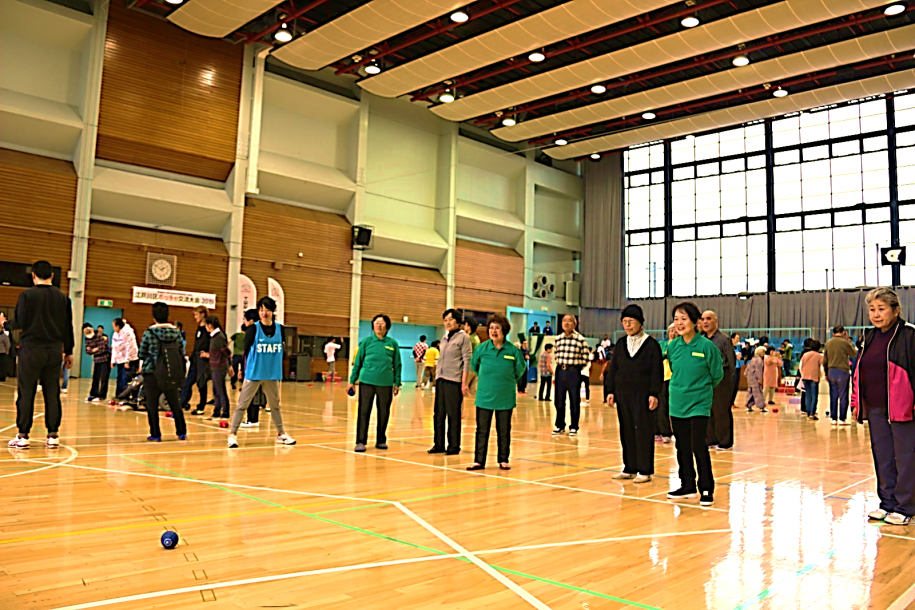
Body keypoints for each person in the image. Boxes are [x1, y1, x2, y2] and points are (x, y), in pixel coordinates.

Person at [852, 287, 915, 526]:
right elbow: (858, 372)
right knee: (883, 456)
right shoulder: (868, 337)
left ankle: (905, 506)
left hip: (903, 408)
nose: (876, 314)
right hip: (876, 408)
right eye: (872, 310)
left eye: (881, 309)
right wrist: (857, 402)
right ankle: (887, 503)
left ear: (895, 310)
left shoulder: (909, 335)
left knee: (906, 458)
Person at [7, 261, 74, 449]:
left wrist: (4, 325)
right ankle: (53, 435)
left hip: (31, 350)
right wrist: (69, 351)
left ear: (33, 275)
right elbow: (67, 327)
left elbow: (20, 322)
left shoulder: (27, 295)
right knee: (52, 393)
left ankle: (23, 435)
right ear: (52, 276)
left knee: (26, 393)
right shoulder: (63, 298)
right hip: (54, 351)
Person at [666, 301, 723, 506]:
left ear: (695, 322)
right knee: (681, 446)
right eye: (676, 319)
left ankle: (706, 487)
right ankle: (687, 485)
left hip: (699, 403)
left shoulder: (707, 346)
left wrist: (701, 389)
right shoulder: (672, 346)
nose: (679, 323)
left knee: (699, 445)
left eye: (684, 318)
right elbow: (674, 368)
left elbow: (717, 374)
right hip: (677, 403)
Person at [605, 304, 663, 483]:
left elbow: (657, 371)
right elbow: (613, 369)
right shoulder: (621, 343)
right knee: (626, 430)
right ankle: (629, 467)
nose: (627, 325)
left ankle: (645, 470)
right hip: (623, 394)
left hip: (643, 395)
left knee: (644, 430)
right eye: (624, 322)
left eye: (631, 322)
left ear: (640, 322)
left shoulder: (651, 344)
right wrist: (610, 391)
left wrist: (654, 393)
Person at [227, 297, 296, 448]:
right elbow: (245, 352)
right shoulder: (253, 329)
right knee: (242, 405)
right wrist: (241, 370)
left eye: (267, 309)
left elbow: (282, 351)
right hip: (254, 373)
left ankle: (281, 433)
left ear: (273, 311)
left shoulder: (280, 329)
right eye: (261, 310)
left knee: (275, 406)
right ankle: (232, 435)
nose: (264, 313)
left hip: (272, 374)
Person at [467, 314, 527, 471]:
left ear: (504, 330)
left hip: (505, 397)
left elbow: (520, 369)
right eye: (491, 328)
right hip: (484, 396)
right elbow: (475, 366)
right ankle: (479, 461)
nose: (493, 331)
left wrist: (507, 379)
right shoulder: (481, 349)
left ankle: (503, 459)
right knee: (482, 430)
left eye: (497, 328)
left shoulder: (513, 350)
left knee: (504, 430)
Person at [348, 313, 402, 452]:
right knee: (363, 411)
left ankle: (381, 440)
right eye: (376, 322)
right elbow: (358, 362)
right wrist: (352, 380)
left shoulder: (392, 343)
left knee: (384, 412)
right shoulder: (366, 342)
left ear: (387, 327)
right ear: (373, 325)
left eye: (382, 323)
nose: (379, 325)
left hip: (386, 383)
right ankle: (361, 441)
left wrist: (397, 382)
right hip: (367, 381)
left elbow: (397, 364)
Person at [136, 302, 188, 442]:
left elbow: (142, 352)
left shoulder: (149, 332)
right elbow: (180, 351)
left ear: (154, 316)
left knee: (152, 403)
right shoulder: (176, 333)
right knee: (174, 402)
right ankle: (181, 432)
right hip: (170, 370)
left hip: (151, 372)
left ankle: (156, 434)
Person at [428, 309, 472, 455]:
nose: (447, 322)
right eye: (445, 320)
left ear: (458, 322)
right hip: (441, 379)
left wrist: (464, 383)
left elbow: (467, 361)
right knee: (438, 414)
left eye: (451, 319)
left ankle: (453, 446)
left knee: (453, 414)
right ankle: (438, 444)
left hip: (454, 381)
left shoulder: (464, 337)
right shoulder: (445, 337)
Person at [701, 310, 735, 451]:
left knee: (721, 410)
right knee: (707, 410)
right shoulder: (700, 340)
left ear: (716, 321)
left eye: (709, 319)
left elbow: (731, 362)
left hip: (721, 377)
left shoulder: (723, 339)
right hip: (704, 379)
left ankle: (725, 441)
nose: (705, 322)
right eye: (703, 319)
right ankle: (710, 439)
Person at [551, 314, 590, 436]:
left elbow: (585, 358)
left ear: (575, 324)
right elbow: (556, 355)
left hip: (574, 371)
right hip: (560, 370)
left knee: (574, 400)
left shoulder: (580, 339)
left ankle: (574, 426)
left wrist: (575, 369)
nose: (566, 323)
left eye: (569, 321)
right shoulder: (558, 339)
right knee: (559, 400)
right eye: (564, 321)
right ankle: (560, 425)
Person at [180, 306, 210, 415]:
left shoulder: (208, 328)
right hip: (195, 359)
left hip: (204, 360)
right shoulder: (199, 329)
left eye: (197, 314)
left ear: (203, 314)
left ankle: (201, 407)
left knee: (201, 384)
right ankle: (181, 404)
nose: (195, 317)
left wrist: (208, 354)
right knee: (187, 383)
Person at [824, 325, 857, 425]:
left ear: (833, 333)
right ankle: (842, 418)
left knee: (833, 395)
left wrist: (826, 373)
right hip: (842, 371)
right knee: (843, 395)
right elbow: (853, 354)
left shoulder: (828, 343)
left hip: (831, 371)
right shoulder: (844, 343)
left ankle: (834, 418)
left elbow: (825, 360)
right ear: (843, 333)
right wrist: (848, 341)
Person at [205, 316, 230, 420]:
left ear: (210, 325)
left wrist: (228, 365)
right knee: (216, 390)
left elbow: (226, 352)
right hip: (214, 366)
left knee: (220, 390)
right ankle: (216, 411)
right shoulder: (214, 337)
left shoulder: (219, 337)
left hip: (220, 367)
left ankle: (225, 412)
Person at [655, 324, 676, 443]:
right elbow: (661, 355)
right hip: (663, 377)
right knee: (661, 405)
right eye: (671, 331)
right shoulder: (662, 344)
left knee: (671, 406)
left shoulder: (681, 344)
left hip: (674, 378)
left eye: (675, 330)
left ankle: (668, 431)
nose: (673, 333)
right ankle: (661, 431)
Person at [111, 318, 138, 398]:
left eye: (114, 326)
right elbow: (114, 348)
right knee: (119, 378)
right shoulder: (115, 334)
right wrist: (113, 360)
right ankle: (118, 396)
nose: (113, 328)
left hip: (130, 359)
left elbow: (130, 347)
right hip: (120, 359)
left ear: (118, 326)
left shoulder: (128, 332)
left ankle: (124, 397)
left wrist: (127, 361)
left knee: (125, 378)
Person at [83, 323, 110, 402]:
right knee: (95, 377)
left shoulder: (99, 336)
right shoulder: (87, 338)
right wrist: (94, 350)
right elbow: (87, 351)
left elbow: (102, 349)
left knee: (103, 378)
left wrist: (93, 350)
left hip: (104, 359)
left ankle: (101, 396)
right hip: (96, 360)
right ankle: (93, 394)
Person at [799, 340, 823, 420]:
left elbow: (800, 365)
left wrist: (802, 374)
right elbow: (822, 367)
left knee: (808, 395)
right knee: (814, 396)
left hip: (805, 376)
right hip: (814, 377)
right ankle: (813, 412)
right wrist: (821, 376)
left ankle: (808, 412)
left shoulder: (805, 354)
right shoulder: (819, 356)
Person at [744, 347, 766, 413]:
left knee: (751, 392)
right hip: (755, 378)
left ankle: (748, 405)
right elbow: (758, 370)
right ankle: (761, 407)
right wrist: (760, 378)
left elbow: (746, 371)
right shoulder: (759, 360)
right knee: (758, 392)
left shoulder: (753, 359)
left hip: (750, 377)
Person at [463, 317, 481, 395]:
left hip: (468, 367)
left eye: (465, 325)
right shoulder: (476, 337)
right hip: (475, 367)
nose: (464, 326)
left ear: (469, 327)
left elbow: (465, 353)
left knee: (462, 390)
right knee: (474, 392)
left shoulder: (468, 338)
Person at [229, 324, 246, 390]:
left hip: (236, 355)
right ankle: (243, 385)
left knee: (234, 369)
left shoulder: (236, 335)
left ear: (241, 328)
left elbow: (228, 341)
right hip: (244, 356)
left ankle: (233, 382)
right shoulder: (247, 336)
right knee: (244, 370)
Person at [730, 333, 743, 407]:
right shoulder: (729, 348)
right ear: (732, 339)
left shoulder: (737, 348)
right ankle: (729, 402)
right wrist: (735, 357)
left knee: (736, 386)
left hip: (738, 367)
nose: (738, 339)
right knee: (732, 385)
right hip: (733, 368)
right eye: (737, 338)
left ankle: (732, 402)